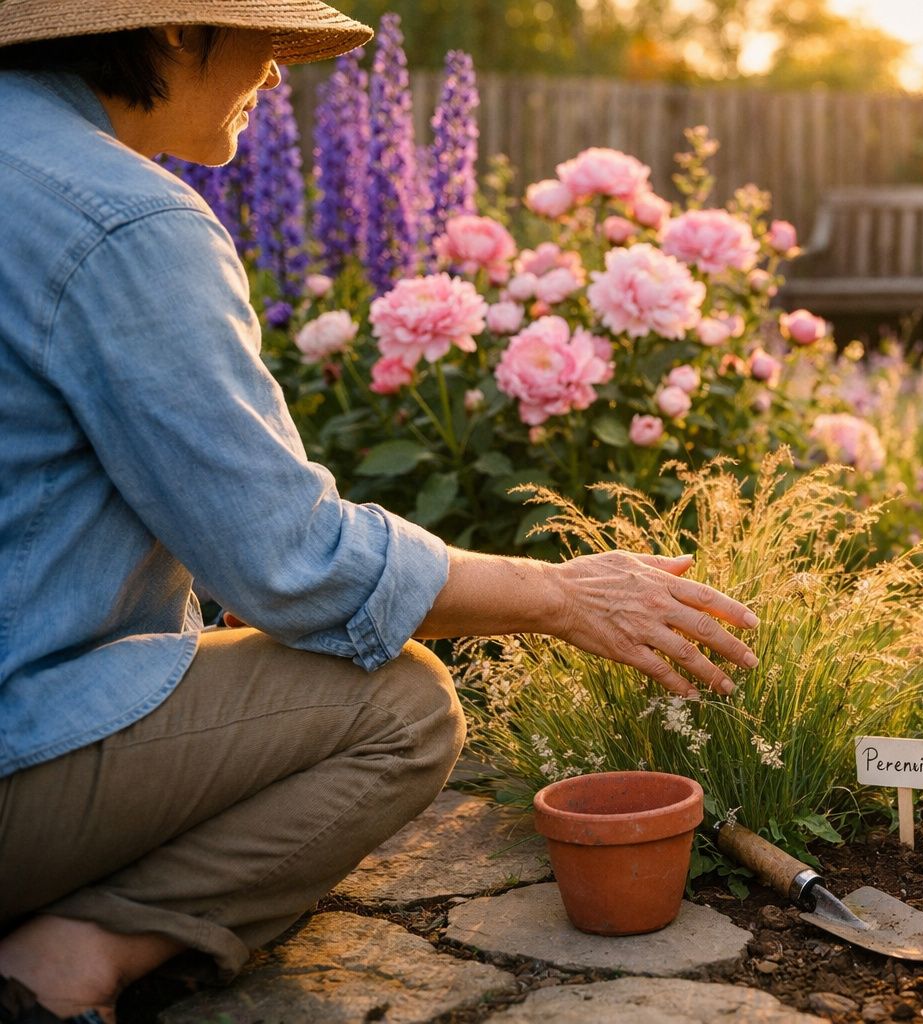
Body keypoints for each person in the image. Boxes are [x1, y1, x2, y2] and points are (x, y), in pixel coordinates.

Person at [0, 3, 760, 1021]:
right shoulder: (126, 219)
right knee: (401, 707)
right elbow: (289, 563)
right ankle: (69, 958)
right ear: (175, 33)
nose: (276, 81)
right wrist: (559, 593)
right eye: (264, 41)